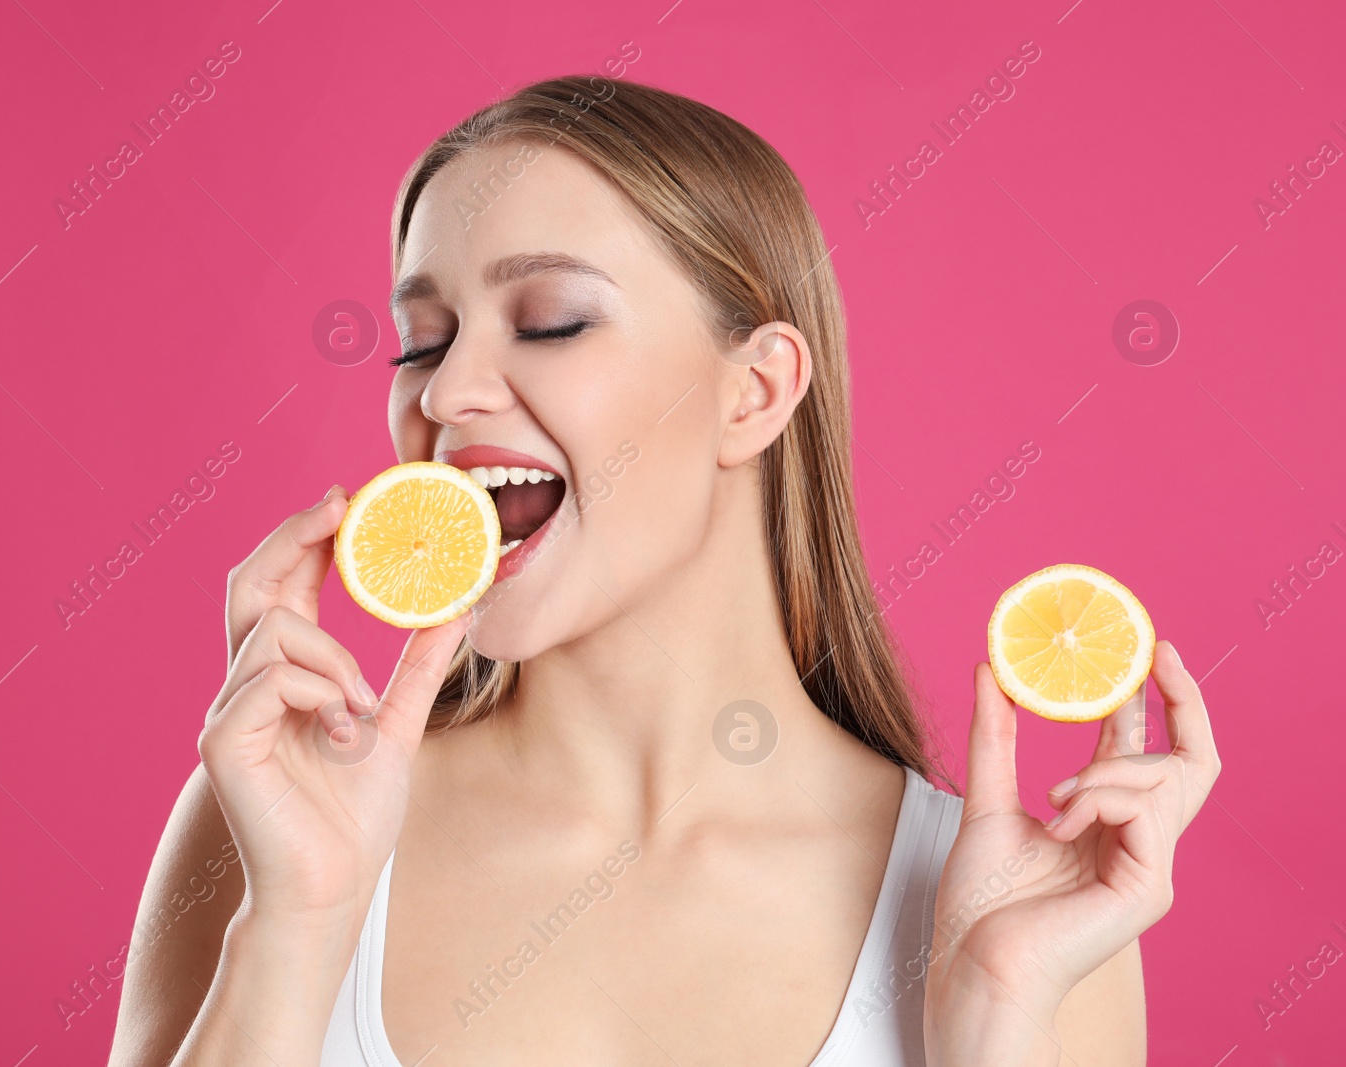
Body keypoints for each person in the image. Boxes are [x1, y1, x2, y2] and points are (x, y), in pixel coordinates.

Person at [108, 76, 1221, 1066]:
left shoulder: (1012, 909)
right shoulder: (276, 817)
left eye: (548, 322)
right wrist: (294, 923)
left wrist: (1001, 1020)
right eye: (422, 339)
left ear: (754, 391)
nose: (444, 396)